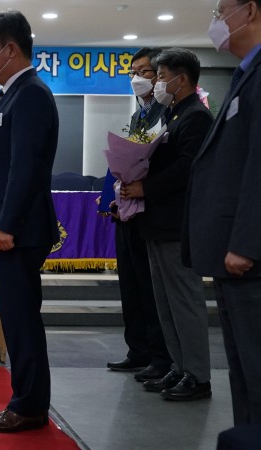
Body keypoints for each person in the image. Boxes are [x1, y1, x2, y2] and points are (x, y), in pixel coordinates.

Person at [0, 11, 59, 433]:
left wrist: (8, 225)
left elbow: (26, 168)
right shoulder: (11, 94)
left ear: (9, 49)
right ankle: (26, 402)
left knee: (21, 321)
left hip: (16, 232)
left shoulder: (32, 95)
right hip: (6, 229)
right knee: (16, 320)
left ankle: (29, 406)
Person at [121, 48, 213, 401]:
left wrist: (146, 187)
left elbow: (189, 167)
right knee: (165, 303)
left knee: (184, 301)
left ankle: (198, 375)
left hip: (176, 224)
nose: (156, 83)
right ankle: (178, 365)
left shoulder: (196, 117)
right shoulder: (173, 115)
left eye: (160, 76)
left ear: (182, 79)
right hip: (156, 222)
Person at [186, 0, 261, 424]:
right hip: (232, 254)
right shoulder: (245, 74)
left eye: (220, 11)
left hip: (248, 255)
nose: (215, 22)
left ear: (248, 11)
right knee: (243, 372)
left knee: (256, 370)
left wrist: (247, 241)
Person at [104, 48, 173, 385]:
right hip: (128, 210)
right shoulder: (138, 116)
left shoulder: (169, 112)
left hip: (153, 211)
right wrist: (118, 195)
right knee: (130, 285)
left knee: (149, 287)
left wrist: (143, 188)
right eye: (133, 71)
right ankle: (138, 349)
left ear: (159, 76)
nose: (137, 78)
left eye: (144, 71)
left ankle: (160, 356)